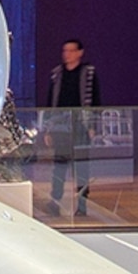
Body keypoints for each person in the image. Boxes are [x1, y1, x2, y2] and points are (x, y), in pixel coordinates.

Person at [42, 38, 100, 219]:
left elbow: (95, 100)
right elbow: (51, 102)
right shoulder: (57, 74)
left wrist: (92, 126)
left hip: (81, 126)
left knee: (81, 168)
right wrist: (48, 129)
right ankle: (55, 202)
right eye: (65, 50)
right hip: (61, 127)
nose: (67, 54)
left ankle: (82, 205)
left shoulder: (88, 73)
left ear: (79, 52)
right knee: (59, 167)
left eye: (71, 50)